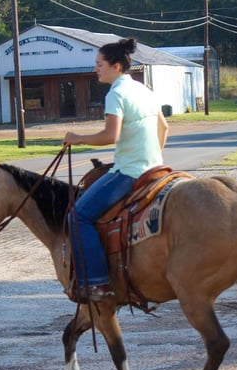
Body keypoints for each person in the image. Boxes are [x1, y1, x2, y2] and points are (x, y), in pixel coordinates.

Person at [63, 37, 169, 303]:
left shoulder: (116, 94)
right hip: (156, 168)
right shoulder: (144, 90)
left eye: (100, 64)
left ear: (117, 66)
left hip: (129, 173)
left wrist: (77, 138)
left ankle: (96, 283)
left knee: (77, 217)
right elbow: (164, 128)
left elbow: (112, 135)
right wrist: (152, 156)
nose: (96, 69)